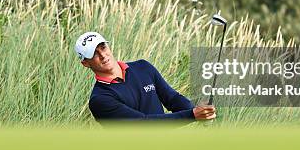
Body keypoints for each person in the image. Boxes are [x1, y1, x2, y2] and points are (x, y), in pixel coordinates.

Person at [74, 31, 216, 123]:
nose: (103, 55)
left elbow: (172, 99)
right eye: (94, 53)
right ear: (85, 63)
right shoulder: (100, 99)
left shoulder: (143, 67)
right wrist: (192, 115)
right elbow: (143, 123)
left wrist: (200, 110)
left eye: (103, 47)